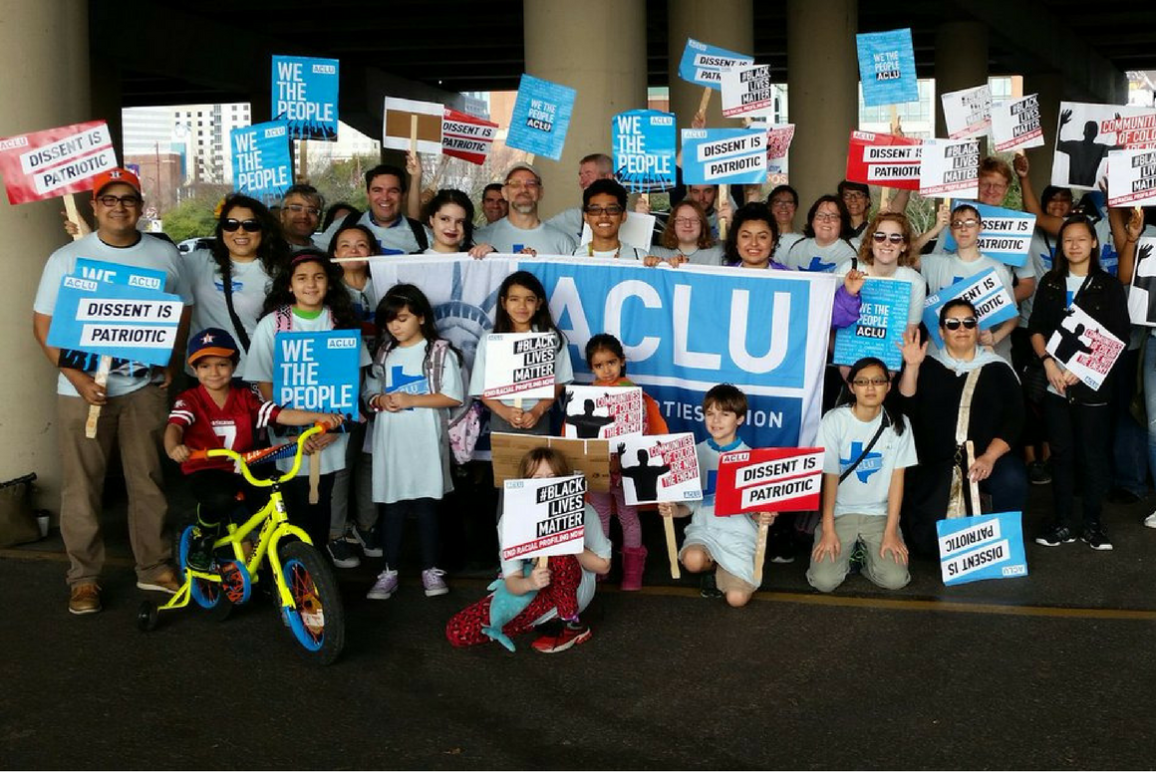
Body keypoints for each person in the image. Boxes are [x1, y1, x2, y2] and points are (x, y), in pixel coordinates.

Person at [32, 167, 193, 614]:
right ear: (94, 207)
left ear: (141, 207)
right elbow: (43, 325)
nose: (118, 207)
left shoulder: (163, 256)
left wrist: (173, 362)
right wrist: (77, 376)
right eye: (109, 199)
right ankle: (84, 578)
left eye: (128, 199)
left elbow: (184, 311)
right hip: (81, 390)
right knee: (83, 487)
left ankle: (154, 567)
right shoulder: (67, 258)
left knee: (148, 480)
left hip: (143, 387)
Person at [165, 328, 345, 569]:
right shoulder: (189, 400)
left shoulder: (245, 397)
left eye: (222, 364)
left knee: (281, 493)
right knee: (219, 498)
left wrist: (320, 417)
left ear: (234, 365)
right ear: (194, 369)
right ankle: (203, 536)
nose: (214, 372)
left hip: (245, 466)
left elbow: (281, 414)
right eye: (205, 366)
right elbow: (175, 426)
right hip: (208, 468)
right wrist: (174, 447)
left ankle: (278, 558)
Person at [242, 250, 370, 552]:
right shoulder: (273, 325)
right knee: (289, 506)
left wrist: (330, 429)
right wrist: (293, 427)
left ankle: (315, 573)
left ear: (329, 282)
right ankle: (288, 573)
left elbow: (355, 381)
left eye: (318, 277)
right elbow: (263, 380)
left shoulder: (341, 323)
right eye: (301, 278)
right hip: (285, 435)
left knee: (321, 504)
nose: (310, 285)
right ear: (289, 285)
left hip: (329, 435)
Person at [445, 447, 612, 653]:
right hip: (531, 588)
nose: (545, 484)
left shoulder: (584, 511)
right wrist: (530, 583)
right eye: (537, 478)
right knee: (458, 631)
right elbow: (513, 581)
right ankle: (535, 621)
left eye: (552, 477)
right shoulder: (510, 520)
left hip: (575, 588)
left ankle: (571, 624)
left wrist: (568, 538)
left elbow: (604, 566)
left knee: (557, 548)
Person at [1029, 214, 1130, 550]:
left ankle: (1092, 522)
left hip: (1093, 385)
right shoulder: (1051, 283)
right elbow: (1037, 329)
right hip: (1056, 383)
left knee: (1092, 455)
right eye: (1068, 240)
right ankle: (1062, 522)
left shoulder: (1109, 285)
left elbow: (1119, 336)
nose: (1074, 245)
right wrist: (1048, 364)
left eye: (1081, 239)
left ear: (1094, 243)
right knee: (1061, 454)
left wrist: (1081, 367)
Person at [896, 302, 1027, 556]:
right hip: (935, 462)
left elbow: (1015, 420)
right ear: (942, 332)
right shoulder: (926, 366)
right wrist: (911, 367)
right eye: (953, 324)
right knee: (930, 549)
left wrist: (989, 457)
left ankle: (1003, 548)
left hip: (987, 458)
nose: (962, 329)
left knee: (1012, 479)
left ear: (977, 329)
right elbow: (906, 412)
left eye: (969, 323)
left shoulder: (998, 369)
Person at [363, 284, 464, 600]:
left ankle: (431, 570)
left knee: (426, 505)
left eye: (403, 318)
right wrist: (379, 398)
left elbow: (453, 395)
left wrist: (411, 398)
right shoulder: (383, 351)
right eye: (390, 320)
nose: (395, 325)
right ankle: (389, 571)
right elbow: (368, 396)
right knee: (392, 507)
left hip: (425, 443)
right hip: (391, 442)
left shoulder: (439, 352)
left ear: (421, 317)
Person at [658, 385, 777, 607]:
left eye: (725, 414)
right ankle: (712, 567)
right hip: (705, 532)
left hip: (738, 537)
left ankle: (729, 570)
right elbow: (689, 506)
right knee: (693, 560)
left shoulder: (752, 458)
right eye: (710, 413)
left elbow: (755, 514)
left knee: (737, 600)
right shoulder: (694, 453)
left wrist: (763, 517)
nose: (716, 420)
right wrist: (674, 511)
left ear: (739, 419)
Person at [807, 357, 914, 593]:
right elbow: (831, 477)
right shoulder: (835, 420)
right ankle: (850, 555)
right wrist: (828, 529)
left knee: (896, 579)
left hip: (879, 514)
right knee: (824, 581)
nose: (870, 387)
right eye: (862, 382)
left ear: (888, 386)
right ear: (851, 387)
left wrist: (890, 531)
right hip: (840, 512)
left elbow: (897, 482)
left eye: (877, 381)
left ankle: (864, 559)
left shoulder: (899, 424)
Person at [573, 334, 668, 590]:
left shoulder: (633, 393)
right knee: (599, 517)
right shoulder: (586, 396)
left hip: (626, 469)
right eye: (599, 365)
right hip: (597, 469)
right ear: (591, 367)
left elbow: (642, 433)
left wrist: (621, 461)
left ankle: (632, 574)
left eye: (611, 362)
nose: (606, 370)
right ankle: (600, 569)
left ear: (622, 361)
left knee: (628, 517)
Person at [325, 223, 383, 566]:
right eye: (344, 245)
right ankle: (336, 532)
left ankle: (367, 524)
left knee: (371, 458)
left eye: (361, 244)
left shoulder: (385, 286)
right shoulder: (327, 292)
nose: (353, 251)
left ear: (373, 252)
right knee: (341, 462)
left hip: (381, 383)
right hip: (342, 385)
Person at [182, 194, 288, 375]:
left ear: (264, 230)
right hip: (203, 374)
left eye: (250, 225)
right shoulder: (195, 262)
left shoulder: (279, 272)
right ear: (221, 229)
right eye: (231, 224)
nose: (240, 232)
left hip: (253, 373)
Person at [469, 271, 574, 436]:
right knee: (506, 461)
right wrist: (504, 411)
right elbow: (481, 386)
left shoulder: (551, 337)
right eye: (514, 299)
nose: (522, 306)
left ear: (539, 304)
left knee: (539, 462)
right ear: (504, 303)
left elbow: (560, 380)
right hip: (500, 418)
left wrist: (537, 411)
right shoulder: (489, 339)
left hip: (538, 417)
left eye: (529, 300)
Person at [725, 204, 863, 327]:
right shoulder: (719, 278)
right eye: (745, 236)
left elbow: (823, 316)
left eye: (762, 237)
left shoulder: (792, 281)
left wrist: (848, 294)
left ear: (773, 241)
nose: (753, 243)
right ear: (736, 241)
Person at [920, 204, 1019, 362]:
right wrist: (937, 228)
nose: (963, 229)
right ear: (951, 231)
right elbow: (903, 254)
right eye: (957, 224)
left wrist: (995, 337)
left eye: (970, 223)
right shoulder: (935, 264)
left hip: (980, 358)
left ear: (980, 228)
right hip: (940, 357)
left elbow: (1013, 316)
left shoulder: (997, 269)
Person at [835, 211, 925, 335]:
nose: (887, 243)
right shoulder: (849, 269)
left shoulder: (915, 282)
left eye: (895, 238)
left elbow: (910, 332)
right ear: (871, 242)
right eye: (879, 236)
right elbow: (824, 315)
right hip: (846, 351)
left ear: (904, 246)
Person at [314, 164, 427, 253]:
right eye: (377, 190)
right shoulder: (346, 224)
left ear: (403, 196)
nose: (385, 197)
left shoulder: (422, 234)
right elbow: (310, 250)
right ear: (368, 194)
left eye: (393, 191)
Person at [473, 163, 576, 256]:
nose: (523, 189)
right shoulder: (480, 239)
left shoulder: (563, 242)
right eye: (515, 184)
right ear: (504, 193)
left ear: (541, 192)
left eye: (531, 184)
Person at [572, 179, 648, 260]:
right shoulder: (572, 259)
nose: (604, 216)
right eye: (595, 210)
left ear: (623, 216)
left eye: (612, 209)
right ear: (586, 217)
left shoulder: (640, 258)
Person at [547, 152, 615, 241]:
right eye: (581, 176)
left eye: (588, 174)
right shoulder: (572, 218)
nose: (582, 182)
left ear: (608, 177)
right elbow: (539, 229)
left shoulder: (630, 219)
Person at [781, 195, 857, 272]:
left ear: (842, 223)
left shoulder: (849, 252)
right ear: (812, 221)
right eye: (820, 215)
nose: (826, 220)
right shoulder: (798, 248)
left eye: (833, 216)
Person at [647, 199, 724, 267]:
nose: (687, 224)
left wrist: (729, 222)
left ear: (702, 224)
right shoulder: (654, 253)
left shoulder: (717, 254)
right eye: (680, 220)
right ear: (673, 225)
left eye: (694, 220)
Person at [423, 188, 495, 256]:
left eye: (460, 222)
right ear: (431, 220)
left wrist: (493, 257)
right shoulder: (413, 260)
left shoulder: (476, 258)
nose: (452, 228)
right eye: (444, 219)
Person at [279, 183, 324, 251]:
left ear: (319, 218)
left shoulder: (323, 258)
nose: (304, 216)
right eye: (296, 208)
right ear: (282, 215)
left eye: (312, 211)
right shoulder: (267, 254)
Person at [768, 184, 803, 262]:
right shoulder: (764, 239)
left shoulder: (804, 242)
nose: (783, 206)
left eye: (789, 202)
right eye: (778, 202)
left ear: (795, 208)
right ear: (770, 207)